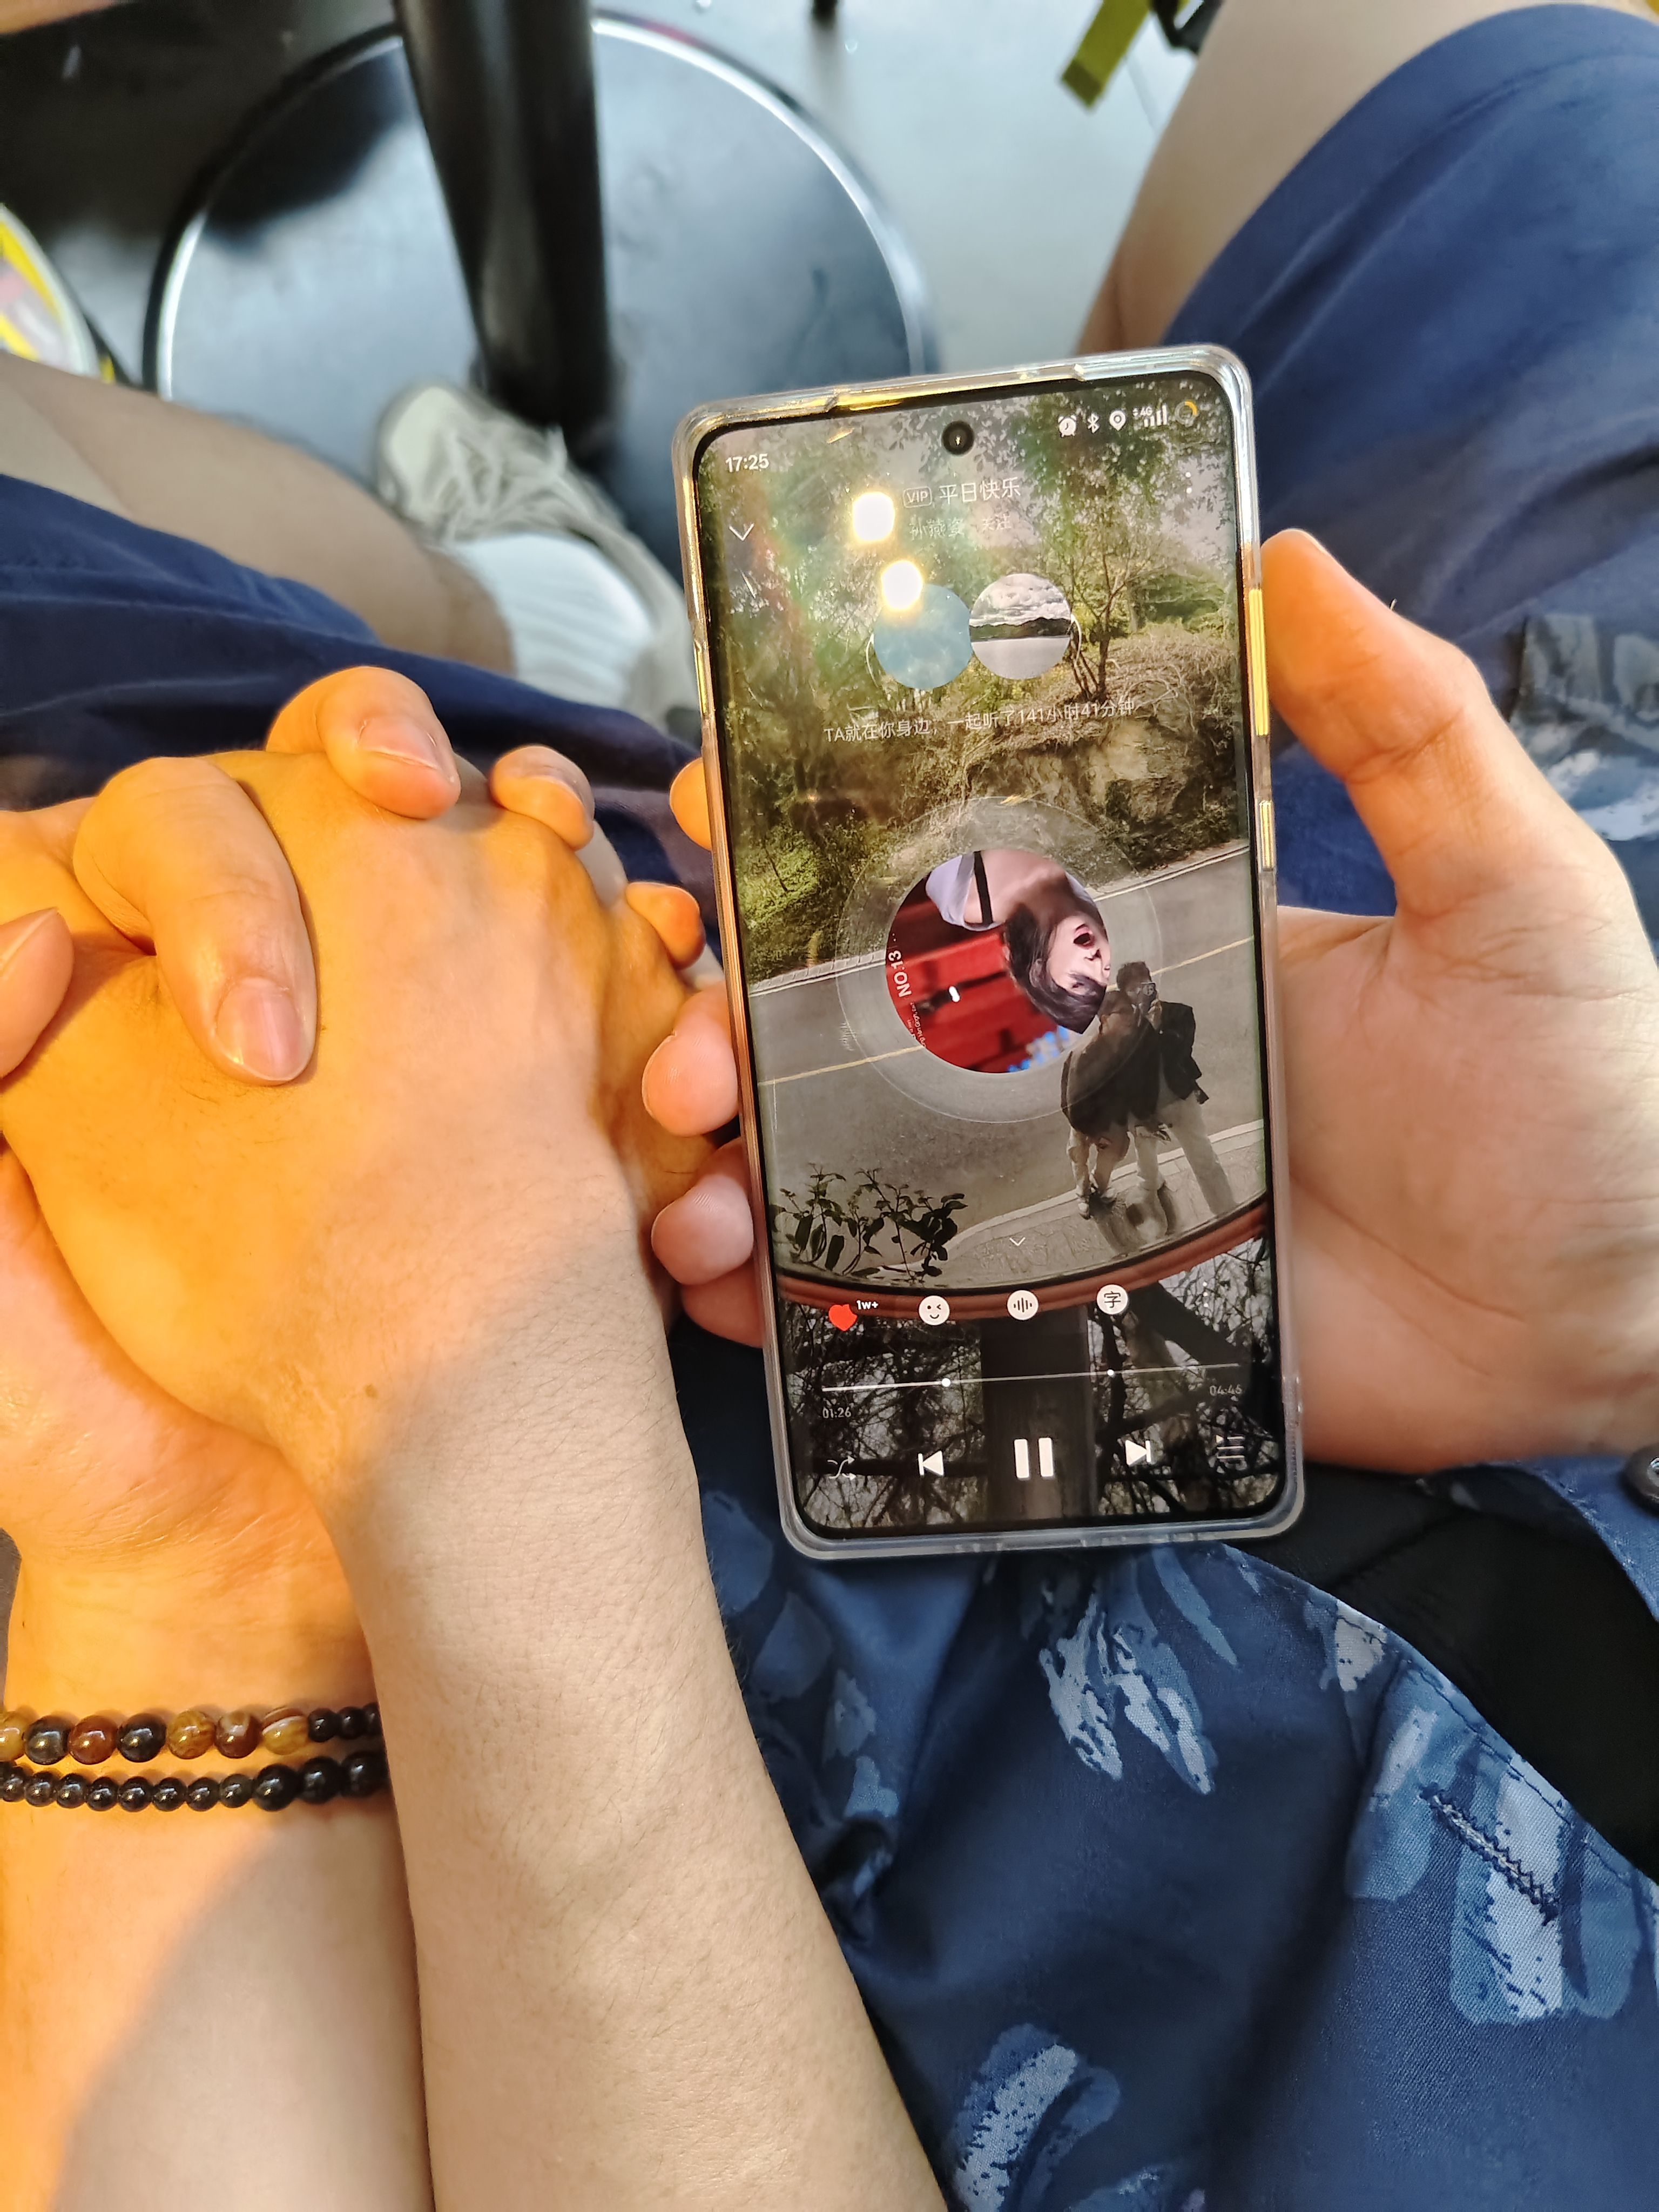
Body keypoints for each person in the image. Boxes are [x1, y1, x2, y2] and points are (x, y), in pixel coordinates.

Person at [5, 0, 1659, 2206]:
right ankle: (534, 604)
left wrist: (395, 1445)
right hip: (1439, 1179)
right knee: (1496, 87)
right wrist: (1627, 1303)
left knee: (138, 616)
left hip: (670, 1750)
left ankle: (521, 599)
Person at [1060, 959, 1237, 1235]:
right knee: (1147, 1172)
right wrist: (1138, 1118)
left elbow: (1181, 1053)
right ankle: (1151, 1216)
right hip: (1144, 1110)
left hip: (1180, 1100)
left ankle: (1227, 1214)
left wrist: (1156, 1029)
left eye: (1146, 986)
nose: (1142, 994)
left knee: (1203, 1159)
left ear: (1153, 985)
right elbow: (1124, 1079)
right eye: (1134, 990)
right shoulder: (1126, 1033)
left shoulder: (1178, 1014)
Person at [924, 847, 1112, 1036]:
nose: (1095, 961)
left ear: (1039, 975)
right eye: (1108, 969)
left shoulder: (965, 898)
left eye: (1078, 984)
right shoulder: (1107, 874)